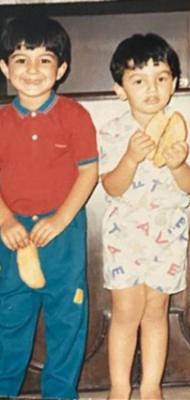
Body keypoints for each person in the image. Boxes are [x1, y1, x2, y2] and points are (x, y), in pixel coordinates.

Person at [99, 33, 190, 400]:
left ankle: (151, 387)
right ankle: (119, 388)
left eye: (161, 78)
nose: (152, 88)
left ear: (174, 83)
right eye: (139, 80)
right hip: (124, 236)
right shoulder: (113, 131)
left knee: (156, 309)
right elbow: (112, 187)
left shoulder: (189, 129)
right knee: (125, 312)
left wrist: (180, 165)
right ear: (120, 90)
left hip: (168, 235)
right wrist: (130, 158)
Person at [0, 17, 98, 399]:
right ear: (5, 68)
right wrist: (5, 221)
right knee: (10, 315)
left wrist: (61, 218)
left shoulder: (75, 116)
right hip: (12, 232)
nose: (32, 69)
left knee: (66, 316)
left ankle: (59, 392)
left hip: (63, 230)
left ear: (61, 69)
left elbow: (88, 173)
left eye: (44, 59)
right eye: (21, 59)